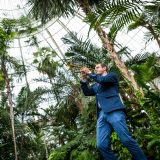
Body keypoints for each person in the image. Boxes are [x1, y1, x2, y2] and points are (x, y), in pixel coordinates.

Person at [80, 63, 147, 160]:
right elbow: (87, 92)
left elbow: (103, 80)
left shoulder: (111, 76)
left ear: (104, 68)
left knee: (126, 140)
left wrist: (90, 73)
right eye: (95, 68)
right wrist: (83, 79)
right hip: (101, 115)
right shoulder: (96, 85)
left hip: (114, 110)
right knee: (101, 145)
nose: (95, 69)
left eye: (97, 67)